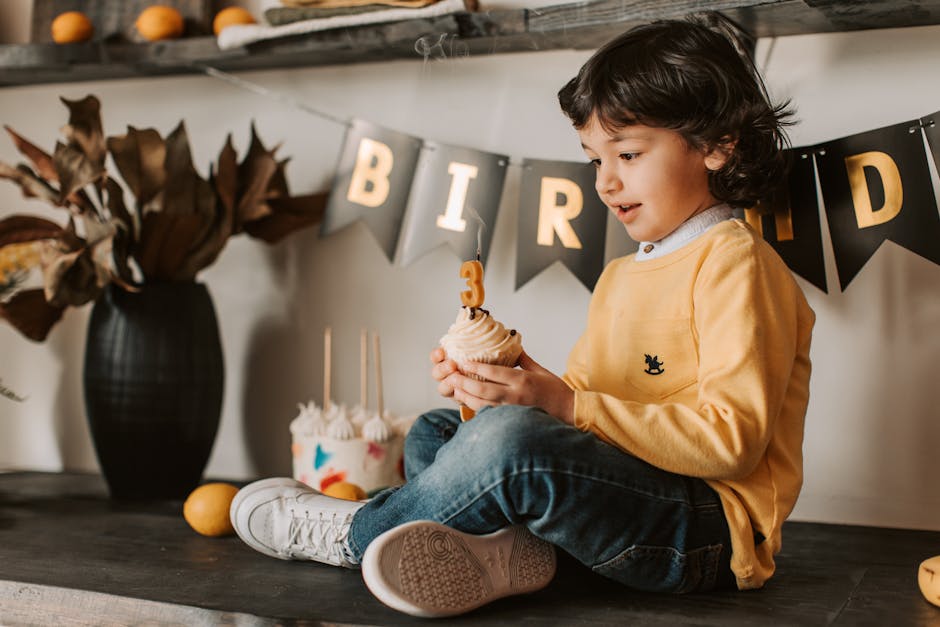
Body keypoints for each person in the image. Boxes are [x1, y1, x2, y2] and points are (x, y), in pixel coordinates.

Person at [230, 15, 815, 618]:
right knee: (440, 429)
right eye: (593, 160)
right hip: (629, 499)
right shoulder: (622, 274)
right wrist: (513, 389)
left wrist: (556, 408)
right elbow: (585, 414)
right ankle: (503, 554)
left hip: (704, 534)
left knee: (509, 443)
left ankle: (355, 536)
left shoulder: (736, 263)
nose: (607, 183)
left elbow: (731, 443)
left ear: (720, 145)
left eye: (629, 154)